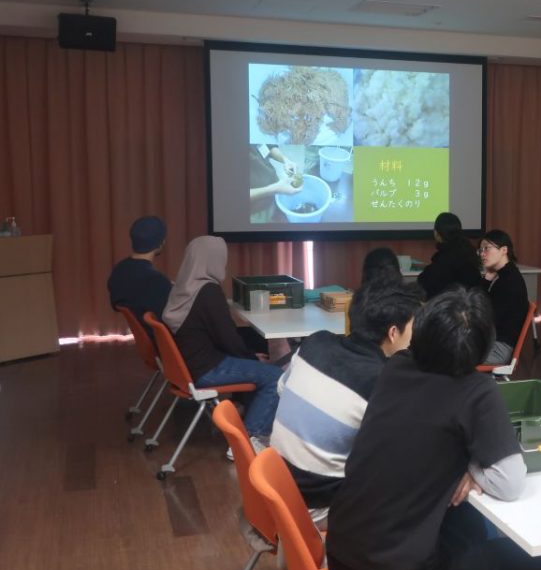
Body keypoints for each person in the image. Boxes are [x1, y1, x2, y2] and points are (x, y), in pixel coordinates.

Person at [326, 287, 541, 570]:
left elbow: (427, 437)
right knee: (540, 564)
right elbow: (510, 483)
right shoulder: (477, 391)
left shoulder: (396, 366)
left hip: (343, 556)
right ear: (483, 346)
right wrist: (473, 468)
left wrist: (463, 464)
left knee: (465, 523)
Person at [270, 281, 422, 520]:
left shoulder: (315, 342)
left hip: (276, 484)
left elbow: (281, 389)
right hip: (316, 505)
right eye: (414, 327)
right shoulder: (381, 381)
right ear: (393, 333)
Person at [162, 236, 282, 442]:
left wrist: (249, 357)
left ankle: (242, 410)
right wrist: (253, 358)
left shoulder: (183, 287)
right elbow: (228, 339)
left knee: (252, 354)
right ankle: (250, 440)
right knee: (274, 376)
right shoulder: (208, 291)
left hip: (186, 367)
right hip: (206, 369)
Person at [107, 215, 172, 326]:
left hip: (146, 332)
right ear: (161, 243)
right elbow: (171, 319)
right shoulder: (157, 281)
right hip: (158, 335)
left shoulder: (119, 270)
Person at [478, 230, 529, 366]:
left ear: (504, 250)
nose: (482, 254)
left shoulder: (509, 281)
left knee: (450, 355)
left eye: (487, 248)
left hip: (498, 348)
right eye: (480, 250)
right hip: (492, 342)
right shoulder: (504, 275)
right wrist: (487, 279)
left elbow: (486, 317)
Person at [417, 212, 482, 299]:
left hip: (449, 305)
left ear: (436, 233)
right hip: (472, 304)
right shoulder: (469, 252)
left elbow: (425, 284)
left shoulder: (443, 259)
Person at [249, 143, 302, 223]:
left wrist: (285, 160)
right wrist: (275, 189)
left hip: (275, 188)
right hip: (256, 209)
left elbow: (267, 146)